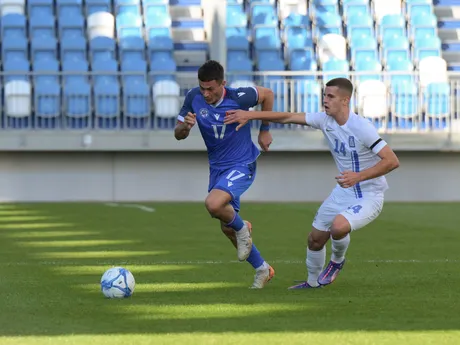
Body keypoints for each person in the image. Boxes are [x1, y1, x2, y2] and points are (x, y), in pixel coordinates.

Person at [224, 77, 400, 289]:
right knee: (315, 239)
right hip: (344, 191)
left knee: (338, 227)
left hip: (370, 194)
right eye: (324, 95)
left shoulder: (362, 127)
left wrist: (358, 176)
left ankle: (336, 262)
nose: (325, 100)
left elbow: (392, 161)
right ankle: (313, 283)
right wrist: (251, 115)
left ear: (345, 100)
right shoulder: (324, 120)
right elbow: (288, 116)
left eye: (330, 96)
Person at [174, 60, 276, 288]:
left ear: (223, 84)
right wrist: (185, 127)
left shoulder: (239, 96)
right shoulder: (193, 98)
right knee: (227, 227)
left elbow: (268, 94)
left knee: (213, 204)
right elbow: (178, 134)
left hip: (242, 164)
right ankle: (263, 269)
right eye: (202, 88)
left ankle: (243, 227)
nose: (206, 93)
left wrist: (265, 130)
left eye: (211, 88)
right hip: (218, 169)